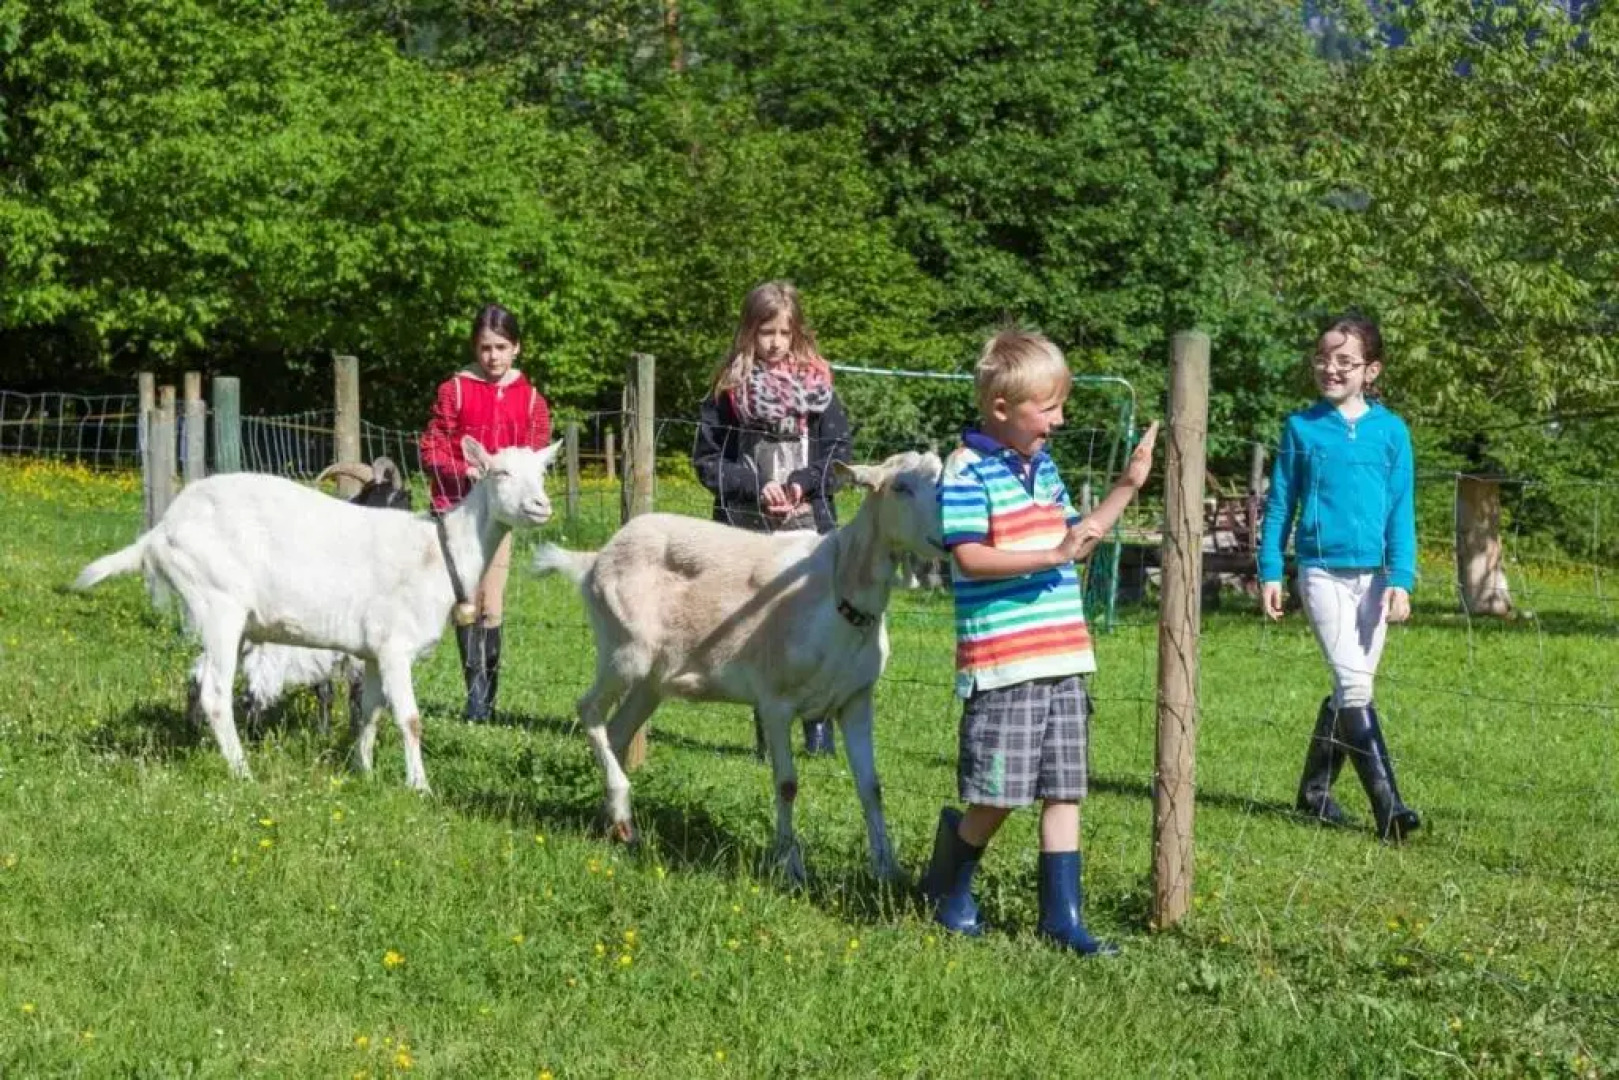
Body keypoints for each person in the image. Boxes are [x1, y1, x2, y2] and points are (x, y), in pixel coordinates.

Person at [922, 328, 1158, 956]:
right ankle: (947, 886)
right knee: (999, 795)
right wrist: (1049, 553)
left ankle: (1062, 921)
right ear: (1002, 409)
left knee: (1064, 787)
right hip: (1005, 664)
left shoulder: (1042, 468)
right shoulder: (966, 471)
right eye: (1048, 407)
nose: (1059, 419)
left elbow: (1076, 538)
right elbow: (970, 557)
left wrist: (1127, 486)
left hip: (1064, 655)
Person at [1259, 315, 1422, 842]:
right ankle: (1389, 808)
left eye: (1344, 361)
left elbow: (1402, 511)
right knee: (1354, 685)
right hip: (1321, 572)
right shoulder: (1301, 428)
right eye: (1323, 359)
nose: (1331, 369)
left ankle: (1314, 794)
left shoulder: (1392, 432)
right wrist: (1269, 570)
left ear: (1370, 370)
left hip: (1374, 579)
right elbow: (1280, 503)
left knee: (1352, 687)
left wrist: (1401, 577)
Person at [692, 281, 852, 758]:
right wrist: (751, 485)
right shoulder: (726, 391)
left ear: (798, 333)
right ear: (749, 332)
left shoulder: (822, 391)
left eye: (785, 331)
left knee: (817, 623)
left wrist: (803, 482)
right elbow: (706, 461)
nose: (776, 342)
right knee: (759, 627)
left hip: (808, 525)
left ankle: (818, 728)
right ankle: (768, 730)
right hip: (747, 528)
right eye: (766, 331)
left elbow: (839, 457)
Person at [420, 303, 551, 721]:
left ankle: (483, 704)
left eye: (500, 347)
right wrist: (464, 470)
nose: (492, 357)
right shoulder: (454, 390)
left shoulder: (531, 400)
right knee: (462, 601)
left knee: (491, 603)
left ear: (517, 348)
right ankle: (469, 690)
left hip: (498, 517)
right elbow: (433, 445)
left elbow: (534, 456)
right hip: (453, 512)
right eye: (484, 348)